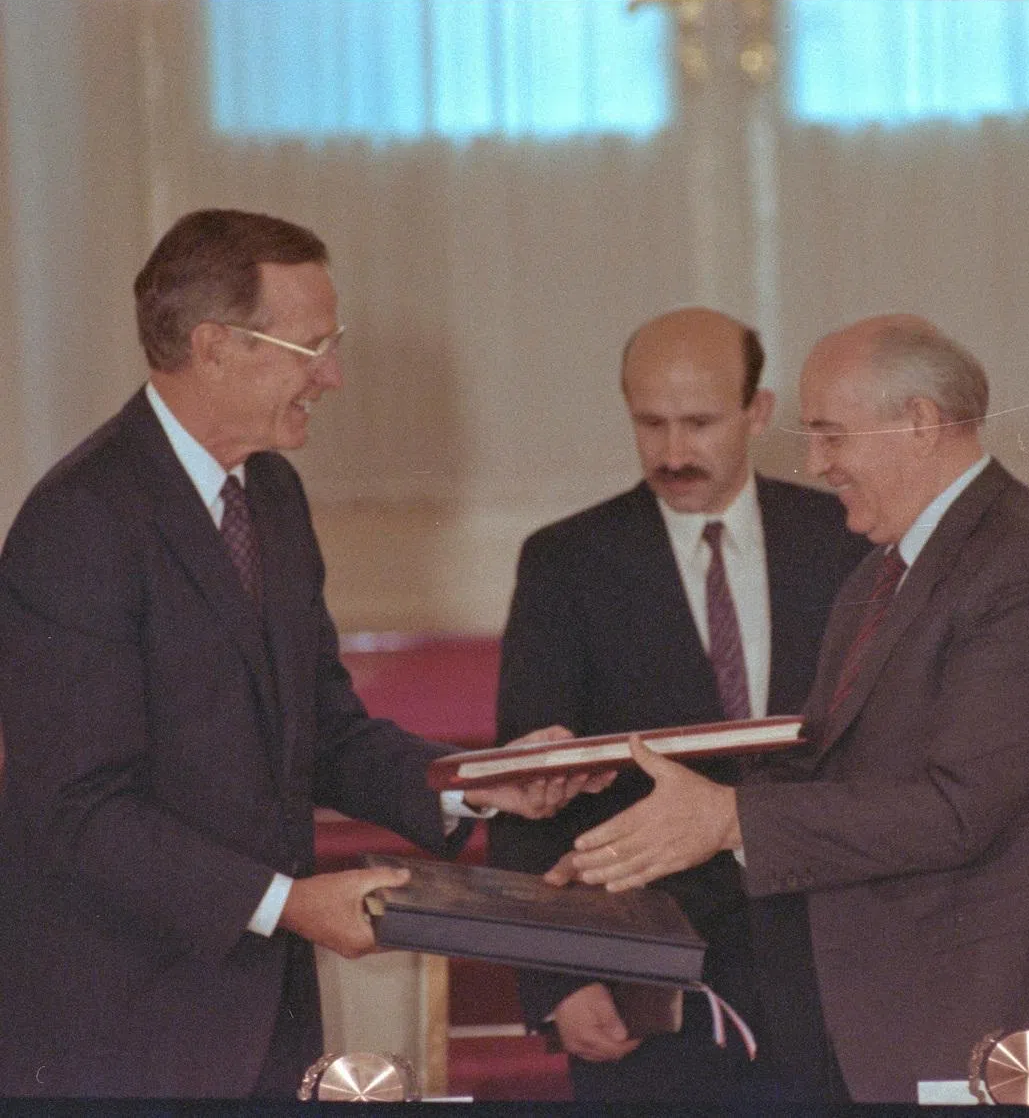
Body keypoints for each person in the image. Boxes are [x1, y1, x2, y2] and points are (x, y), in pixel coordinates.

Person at [0, 209, 609, 1099]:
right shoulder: (80, 524)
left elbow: (322, 730)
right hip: (121, 1023)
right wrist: (289, 904)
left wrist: (476, 780)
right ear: (214, 347)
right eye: (309, 347)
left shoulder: (272, 494)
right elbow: (78, 811)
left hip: (259, 1015)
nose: (333, 375)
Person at [551, 313, 1029, 1101]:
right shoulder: (880, 574)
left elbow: (958, 808)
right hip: (911, 1010)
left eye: (832, 436)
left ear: (921, 423)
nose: (814, 462)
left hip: (1014, 1015)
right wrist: (639, 831)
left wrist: (728, 819)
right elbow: (831, 769)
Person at [488, 307, 868, 1103]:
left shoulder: (847, 540)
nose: (673, 452)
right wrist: (555, 980)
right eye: (650, 424)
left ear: (758, 412)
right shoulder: (566, 563)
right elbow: (527, 788)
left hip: (838, 975)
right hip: (650, 989)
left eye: (698, 423)